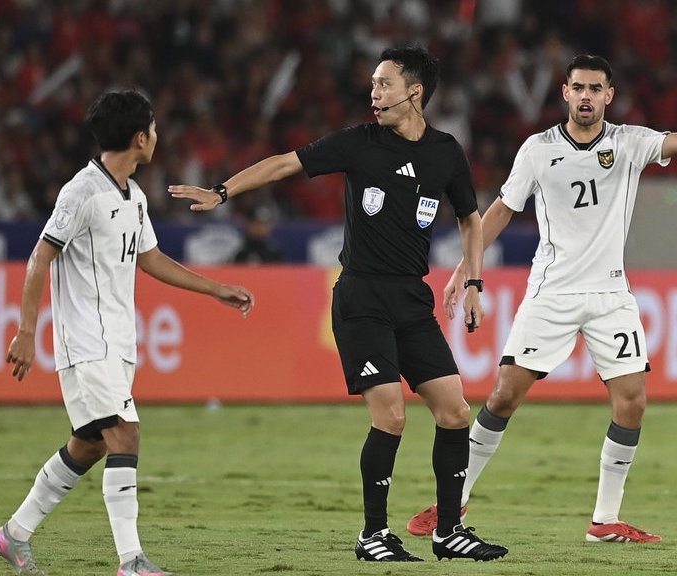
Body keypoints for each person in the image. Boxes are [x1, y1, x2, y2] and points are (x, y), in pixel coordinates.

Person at [406, 54, 677, 543]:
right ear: (564, 92)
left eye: (595, 89)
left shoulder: (628, 143)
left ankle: (604, 520)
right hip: (551, 293)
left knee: (632, 402)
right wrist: (464, 269)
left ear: (608, 96)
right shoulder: (538, 150)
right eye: (577, 87)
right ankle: (454, 500)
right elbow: (499, 211)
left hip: (609, 296)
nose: (585, 96)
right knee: (503, 396)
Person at [169, 45, 507, 562]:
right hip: (361, 298)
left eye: (384, 84)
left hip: (411, 300)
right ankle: (373, 534)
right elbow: (286, 162)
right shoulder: (358, 143)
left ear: (414, 93)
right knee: (391, 417)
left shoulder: (446, 152)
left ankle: (447, 532)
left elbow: (470, 218)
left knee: (456, 411)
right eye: (373, 84)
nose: (374, 94)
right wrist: (222, 191)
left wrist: (475, 282)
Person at [0, 90, 255, 576]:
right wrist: (26, 330)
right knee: (125, 433)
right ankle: (131, 561)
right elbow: (40, 255)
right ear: (139, 137)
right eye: (153, 129)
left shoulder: (133, 197)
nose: (157, 137)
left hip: (118, 344)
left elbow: (150, 259)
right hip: (85, 343)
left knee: (89, 444)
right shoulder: (82, 192)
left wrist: (215, 289)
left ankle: (14, 534)